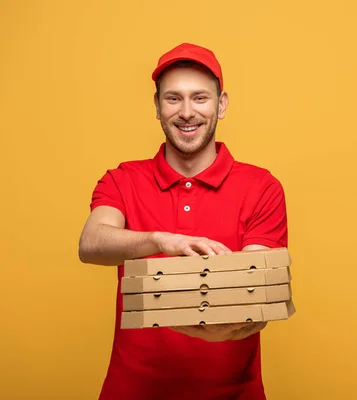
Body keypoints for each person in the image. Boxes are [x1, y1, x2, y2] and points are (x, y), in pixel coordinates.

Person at [78, 43, 289, 400]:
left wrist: (228, 322)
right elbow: (92, 243)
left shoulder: (262, 187)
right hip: (132, 391)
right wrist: (163, 241)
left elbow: (255, 293)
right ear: (157, 107)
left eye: (200, 98)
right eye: (173, 99)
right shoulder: (122, 179)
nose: (187, 112)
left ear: (221, 105)